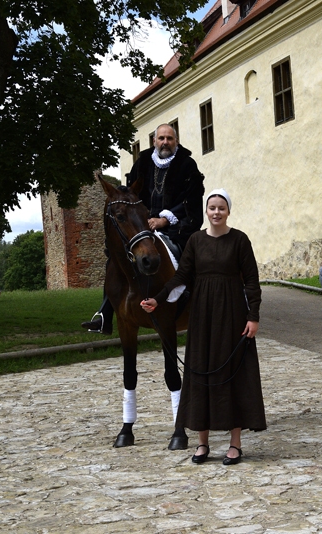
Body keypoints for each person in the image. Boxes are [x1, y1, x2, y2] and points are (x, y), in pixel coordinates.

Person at [140, 189, 266, 465]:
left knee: (234, 374)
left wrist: (253, 317)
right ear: (207, 211)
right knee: (201, 373)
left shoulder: (240, 240)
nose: (217, 212)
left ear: (228, 211)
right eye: (212, 208)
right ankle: (202, 443)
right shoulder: (196, 240)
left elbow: (252, 282)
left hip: (233, 314)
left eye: (222, 208)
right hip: (203, 316)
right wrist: (158, 300)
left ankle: (235, 444)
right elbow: (182, 276)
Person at [82, 123, 205, 334]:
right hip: (141, 226)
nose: (165, 142)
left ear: (176, 141)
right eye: (161, 138)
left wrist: (165, 219)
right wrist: (141, 219)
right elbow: (131, 194)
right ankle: (105, 313)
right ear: (154, 141)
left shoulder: (187, 165)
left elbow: (192, 200)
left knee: (191, 258)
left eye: (169, 138)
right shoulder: (143, 163)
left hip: (176, 227)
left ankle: (194, 303)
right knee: (116, 258)